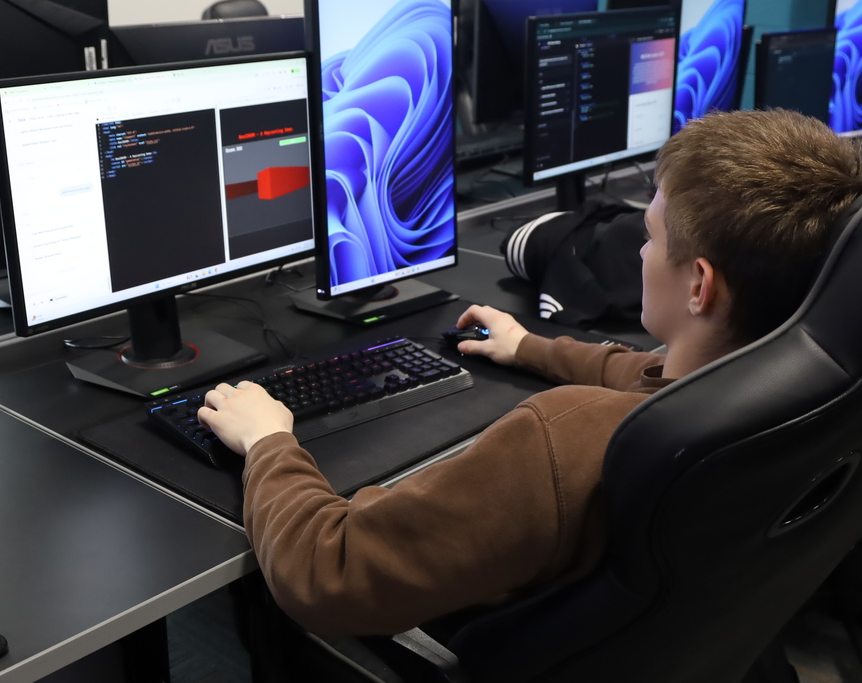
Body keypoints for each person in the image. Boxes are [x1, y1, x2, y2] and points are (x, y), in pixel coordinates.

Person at [197, 110, 862, 636]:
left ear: (699, 287)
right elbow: (650, 374)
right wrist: (528, 347)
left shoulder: (559, 438)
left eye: (651, 235)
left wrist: (269, 442)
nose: (637, 247)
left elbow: (328, 570)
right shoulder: (800, 385)